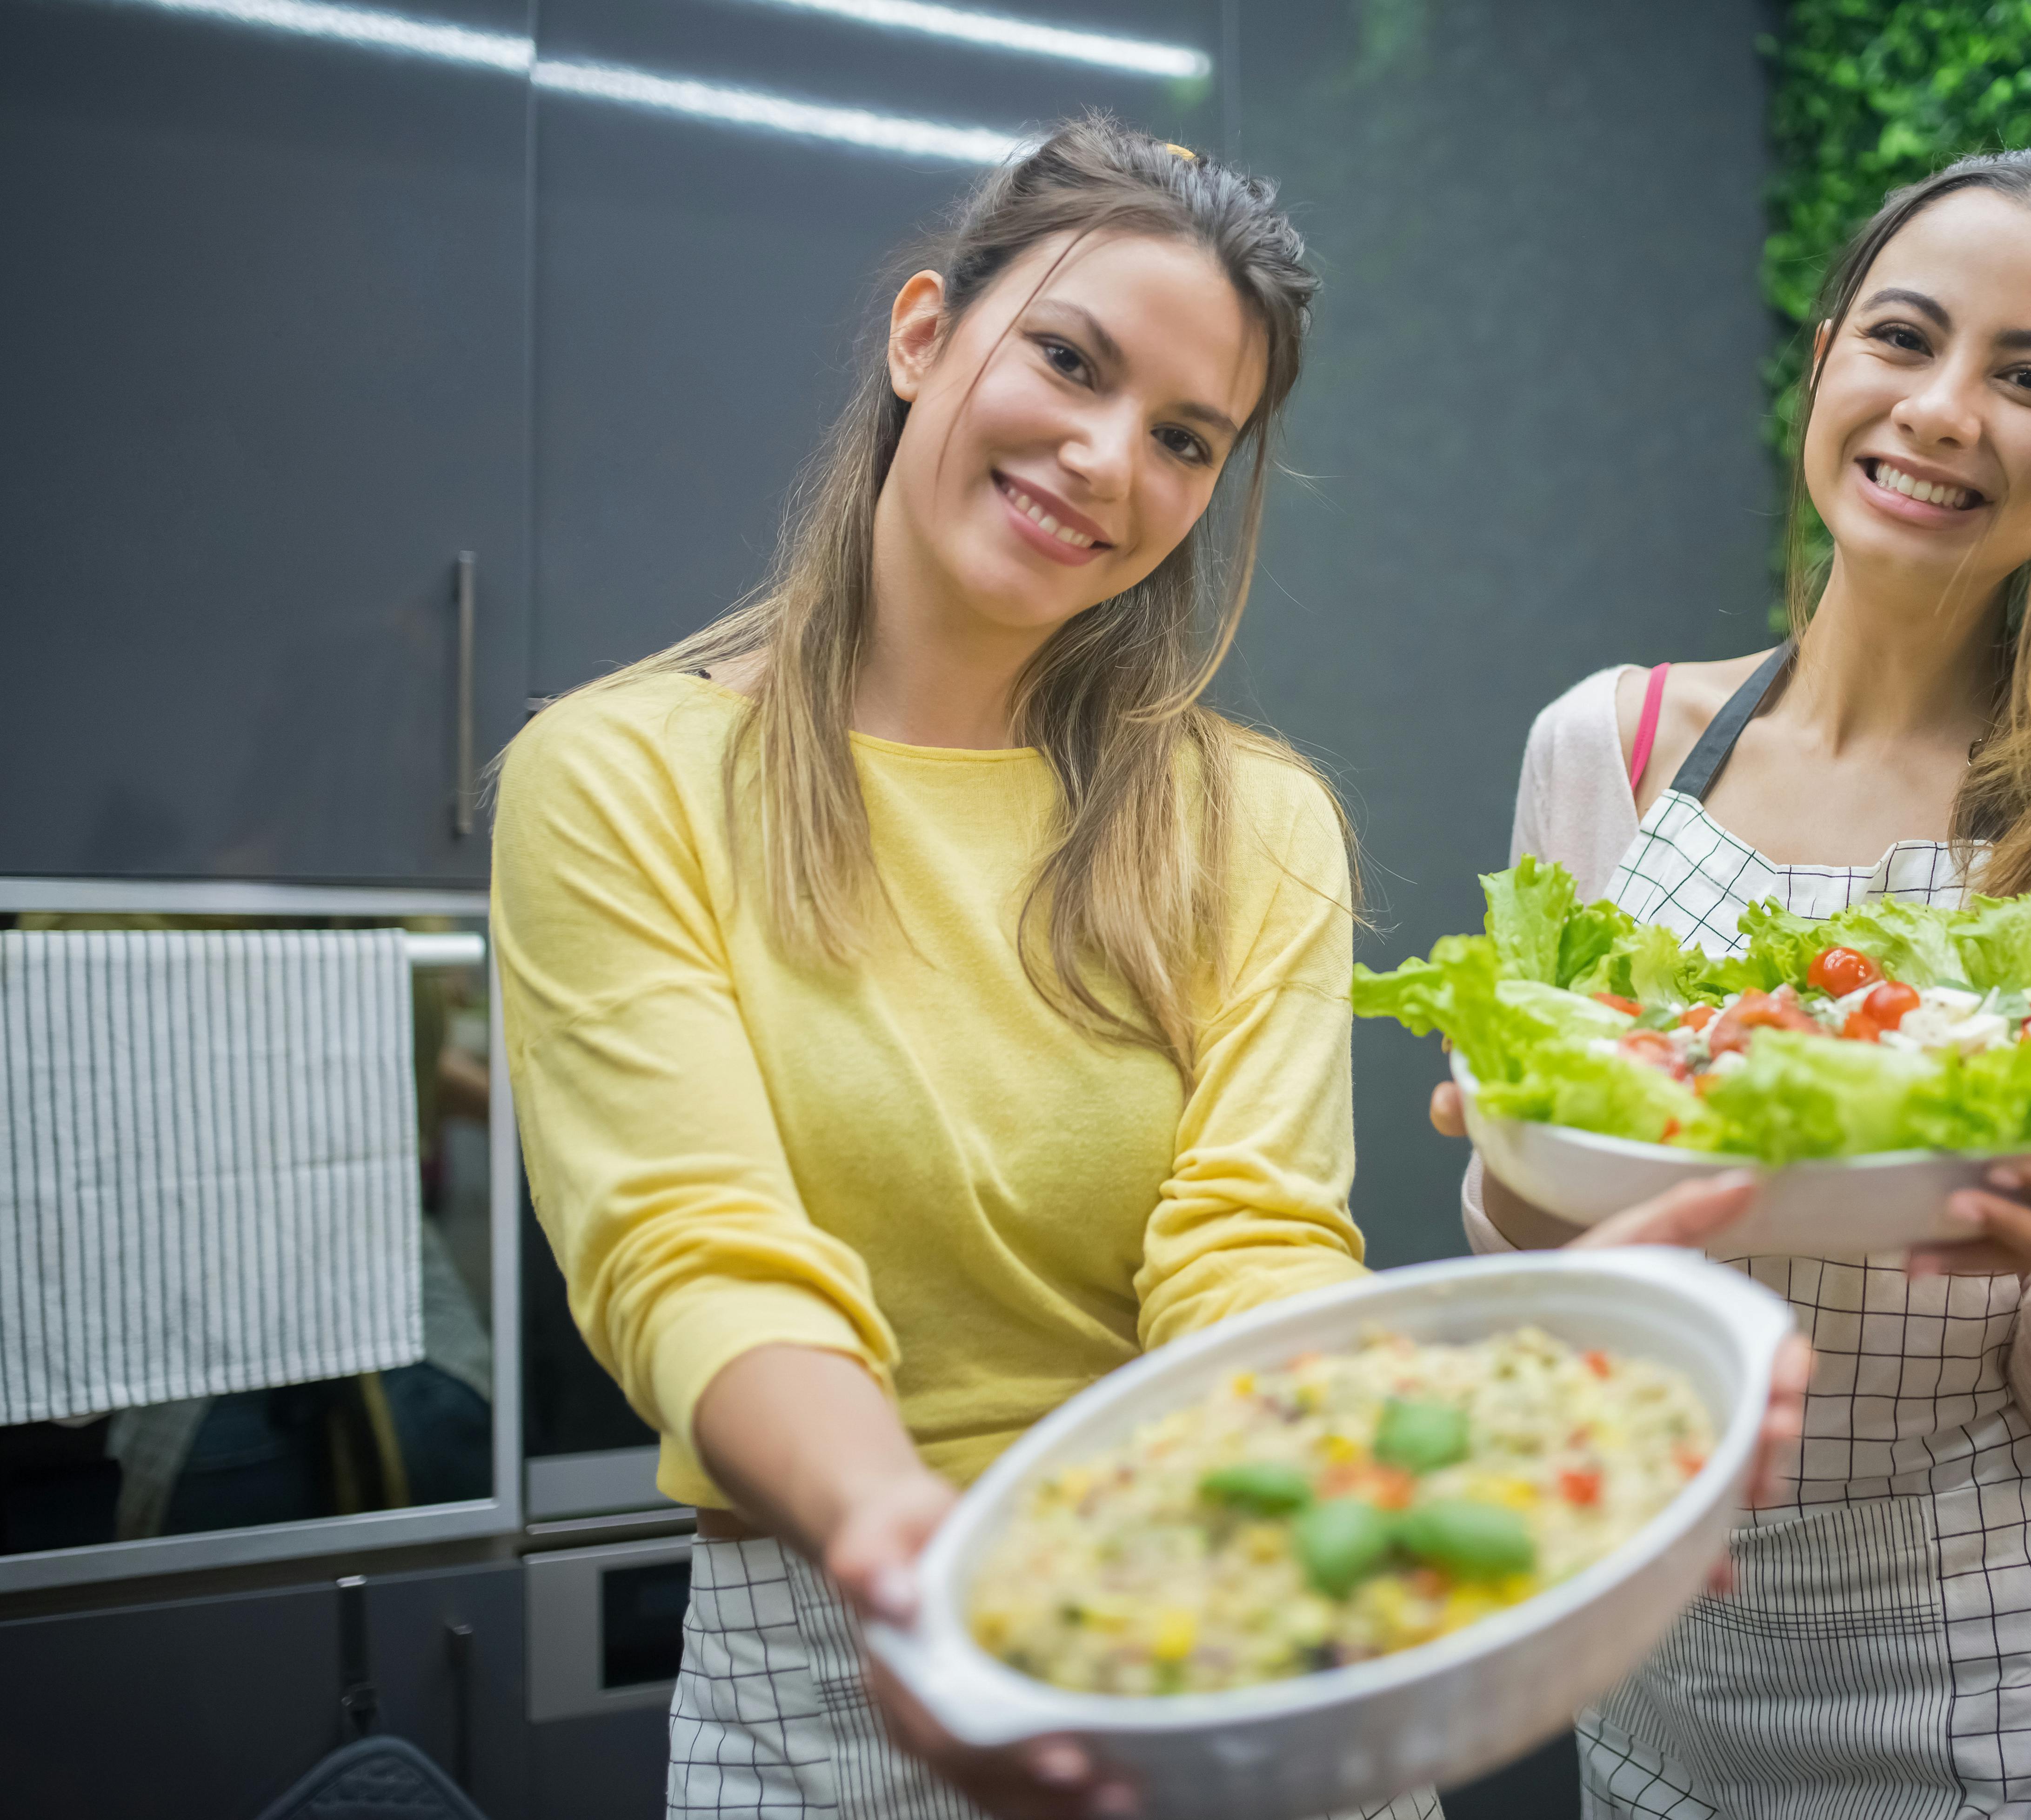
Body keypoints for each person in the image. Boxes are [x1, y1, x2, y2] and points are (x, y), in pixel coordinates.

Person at [494, 117, 1802, 1820]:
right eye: (1067, 358)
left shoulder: (1249, 818)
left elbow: (1247, 1244)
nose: (1109, 459)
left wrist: (1475, 1409)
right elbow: (698, 1254)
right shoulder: (617, 777)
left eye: (1188, 436)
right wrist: (915, 1553)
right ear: (921, 335)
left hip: (1239, 1597)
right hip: (837, 1668)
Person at [1433, 151, 2031, 1818]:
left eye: (2030, 379)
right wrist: (1518, 1158)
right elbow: (1546, 1258)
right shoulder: (1606, 748)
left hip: (2010, 1705)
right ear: (1824, 359)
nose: (1945, 410)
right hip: (1665, 1681)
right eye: (1904, 337)